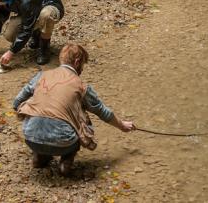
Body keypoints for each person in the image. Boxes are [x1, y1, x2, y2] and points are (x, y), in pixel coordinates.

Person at [13, 43, 136, 176]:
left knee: (39, 113)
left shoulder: (41, 75)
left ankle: (40, 158)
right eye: (83, 64)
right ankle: (65, 164)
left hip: (31, 137)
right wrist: (122, 125)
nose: (82, 69)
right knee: (82, 120)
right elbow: (102, 112)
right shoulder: (81, 86)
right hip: (63, 142)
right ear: (77, 62)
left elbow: (17, 102)